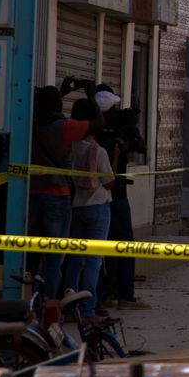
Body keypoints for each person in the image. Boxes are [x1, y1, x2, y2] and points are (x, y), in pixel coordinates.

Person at [28, 77, 103, 299]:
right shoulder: (65, 127)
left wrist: (60, 94)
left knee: (31, 255)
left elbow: (45, 109)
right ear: (59, 106)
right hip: (57, 195)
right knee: (54, 259)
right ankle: (49, 306)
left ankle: (29, 300)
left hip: (30, 195)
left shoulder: (29, 124)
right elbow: (98, 124)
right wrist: (91, 96)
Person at [95, 91, 147, 311]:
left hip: (95, 200)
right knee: (125, 245)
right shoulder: (110, 136)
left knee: (101, 249)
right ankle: (125, 295)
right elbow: (141, 147)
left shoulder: (93, 132)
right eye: (114, 109)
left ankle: (104, 293)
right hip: (115, 196)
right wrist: (131, 129)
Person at [62, 99, 113, 320]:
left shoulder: (70, 148)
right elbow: (109, 181)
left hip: (77, 207)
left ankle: (70, 307)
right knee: (93, 261)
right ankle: (88, 309)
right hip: (99, 207)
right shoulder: (98, 151)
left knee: (74, 260)